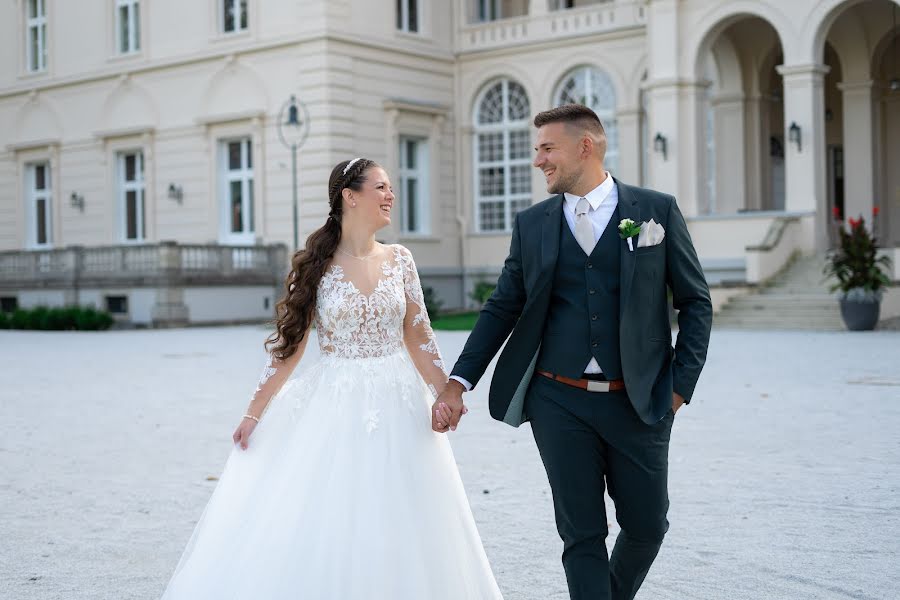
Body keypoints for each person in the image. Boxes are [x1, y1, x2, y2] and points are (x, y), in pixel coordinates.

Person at [161, 158, 503, 599]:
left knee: (410, 511)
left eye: (391, 188)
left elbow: (418, 336)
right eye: (380, 187)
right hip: (336, 402)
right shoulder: (314, 266)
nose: (390, 196)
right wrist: (254, 412)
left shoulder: (401, 260)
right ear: (349, 195)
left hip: (399, 401)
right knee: (335, 511)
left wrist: (445, 394)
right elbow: (289, 348)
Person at [432, 104, 712, 600]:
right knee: (581, 534)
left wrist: (679, 390)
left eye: (546, 149)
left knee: (648, 526)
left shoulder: (656, 211)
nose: (537, 161)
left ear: (586, 146)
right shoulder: (532, 223)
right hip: (557, 400)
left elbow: (695, 303)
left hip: (640, 399)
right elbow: (502, 308)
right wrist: (458, 382)